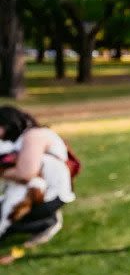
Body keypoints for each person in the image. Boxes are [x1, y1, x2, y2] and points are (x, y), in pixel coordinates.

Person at [0, 106, 75, 253]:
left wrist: (3, 171)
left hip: (48, 195)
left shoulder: (33, 136)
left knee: (11, 219)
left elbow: (26, 174)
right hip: (31, 192)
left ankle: (47, 222)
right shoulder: (18, 140)